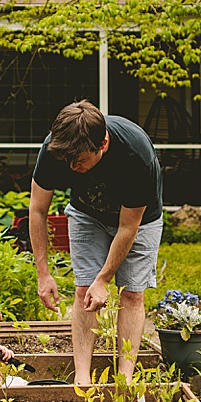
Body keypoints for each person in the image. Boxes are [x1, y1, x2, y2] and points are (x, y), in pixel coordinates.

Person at [30, 100, 162, 384]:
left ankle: (125, 379)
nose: (72, 167)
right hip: (86, 214)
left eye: (80, 161)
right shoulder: (56, 148)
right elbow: (38, 209)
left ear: (102, 143)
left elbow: (128, 226)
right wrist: (43, 272)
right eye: (68, 161)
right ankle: (82, 377)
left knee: (132, 293)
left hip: (139, 218)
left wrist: (104, 278)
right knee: (83, 290)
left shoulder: (136, 155)